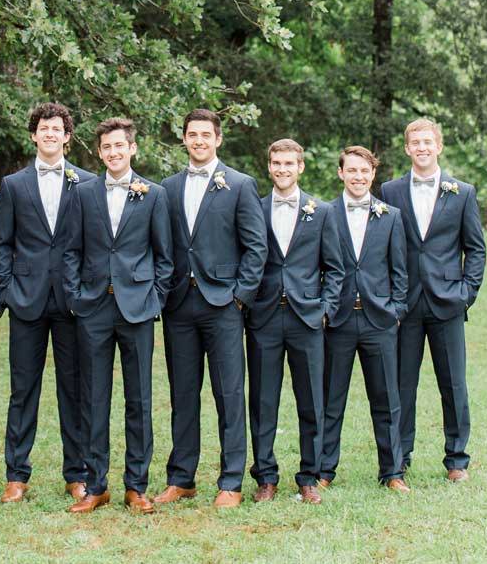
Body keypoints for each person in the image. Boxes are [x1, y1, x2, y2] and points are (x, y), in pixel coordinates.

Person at [156, 109, 267, 508]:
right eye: (192, 134)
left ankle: (231, 481)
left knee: (229, 392)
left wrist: (239, 296)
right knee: (183, 393)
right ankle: (181, 477)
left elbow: (256, 247)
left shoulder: (239, 185)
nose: (198, 140)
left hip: (223, 304)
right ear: (183, 139)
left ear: (218, 139)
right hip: (178, 304)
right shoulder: (166, 188)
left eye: (205, 134)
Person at [63, 118, 173, 514]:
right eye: (106, 147)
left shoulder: (154, 194)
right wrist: (76, 297)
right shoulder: (83, 193)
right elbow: (72, 250)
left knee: (139, 398)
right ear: (98, 152)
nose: (113, 152)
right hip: (93, 307)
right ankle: (96, 485)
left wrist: (155, 297)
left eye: (119, 146)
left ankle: (136, 486)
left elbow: (165, 255)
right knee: (93, 398)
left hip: (137, 307)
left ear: (132, 148)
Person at [0, 103, 94, 503]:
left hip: (73, 302)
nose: (50, 134)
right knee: (23, 391)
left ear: (67, 136)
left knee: (75, 390)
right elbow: (1, 244)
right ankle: (16, 475)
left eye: (57, 128)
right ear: (33, 135)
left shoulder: (87, 182)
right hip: (27, 301)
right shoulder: (13, 184)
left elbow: (95, 241)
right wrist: (7, 291)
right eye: (43, 128)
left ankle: (77, 472)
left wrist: (84, 291)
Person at [380, 118, 486, 481]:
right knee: (401, 384)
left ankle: (457, 459)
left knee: (453, 383)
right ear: (407, 148)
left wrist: (465, 294)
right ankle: (400, 457)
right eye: (415, 142)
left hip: (447, 302)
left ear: (438, 146)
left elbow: (475, 250)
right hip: (404, 303)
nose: (422, 147)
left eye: (428, 141)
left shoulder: (462, 192)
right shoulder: (390, 191)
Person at [246, 138, 344, 505]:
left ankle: (309, 477)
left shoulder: (321, 212)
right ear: (269, 167)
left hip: (307, 319)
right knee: (262, 400)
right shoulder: (254, 208)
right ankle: (265, 477)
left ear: (300, 167)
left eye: (289, 163)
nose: (282, 169)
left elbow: (335, 269)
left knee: (312, 401)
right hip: (264, 318)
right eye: (276, 163)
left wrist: (324, 309)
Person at [319, 145, 409, 492]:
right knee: (331, 399)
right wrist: (324, 309)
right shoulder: (325, 213)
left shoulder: (391, 216)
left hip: (379, 320)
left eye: (364, 171)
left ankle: (392, 472)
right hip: (338, 320)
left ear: (373, 175)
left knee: (387, 399)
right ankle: (325, 471)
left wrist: (396, 311)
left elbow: (400, 270)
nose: (358, 177)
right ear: (341, 173)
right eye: (351, 171)